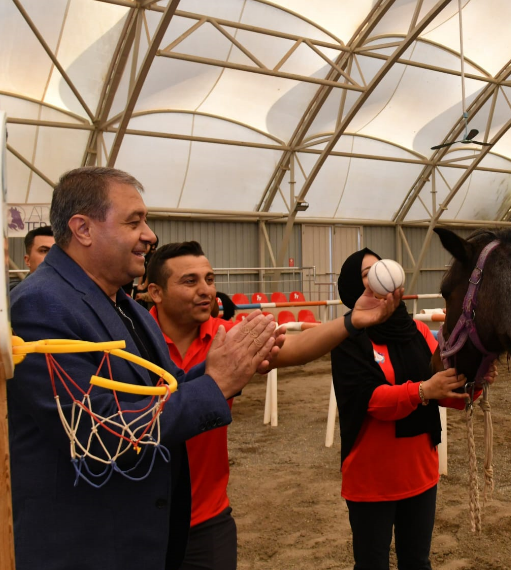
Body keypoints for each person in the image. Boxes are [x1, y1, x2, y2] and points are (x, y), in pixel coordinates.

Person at [8, 167, 278, 570]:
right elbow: (96, 434)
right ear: (82, 228)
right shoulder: (41, 304)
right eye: (134, 222)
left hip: (138, 539)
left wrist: (221, 370)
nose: (150, 235)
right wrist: (215, 384)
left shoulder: (127, 306)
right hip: (89, 547)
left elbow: (159, 391)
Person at [145, 242, 401, 570]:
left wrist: (353, 321)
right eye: (190, 281)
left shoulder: (228, 339)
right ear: (156, 292)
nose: (206, 290)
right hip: (140, 519)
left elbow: (295, 347)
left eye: (209, 279)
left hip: (207, 520)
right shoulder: (131, 339)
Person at [330, 248, 494, 570]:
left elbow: (443, 392)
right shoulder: (348, 338)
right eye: (366, 273)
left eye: (381, 266)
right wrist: (422, 390)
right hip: (370, 480)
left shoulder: (418, 332)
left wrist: (473, 383)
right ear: (353, 288)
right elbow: (371, 400)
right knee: (371, 565)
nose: (378, 274)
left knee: (417, 563)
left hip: (420, 474)